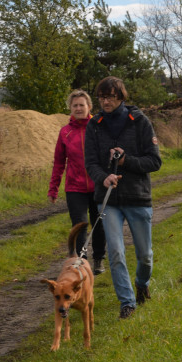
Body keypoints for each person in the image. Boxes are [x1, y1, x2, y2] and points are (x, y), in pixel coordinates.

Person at [83, 77, 162, 320]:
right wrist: (103, 177)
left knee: (145, 255)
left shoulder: (140, 122)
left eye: (111, 96)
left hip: (138, 197)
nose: (106, 101)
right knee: (116, 252)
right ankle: (127, 303)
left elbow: (155, 161)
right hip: (108, 200)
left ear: (121, 97)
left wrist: (127, 161)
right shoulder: (93, 125)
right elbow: (91, 163)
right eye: (102, 97)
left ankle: (141, 283)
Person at [48, 89, 107, 274]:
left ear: (89, 106)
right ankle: (82, 262)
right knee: (80, 225)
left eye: (82, 105)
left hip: (98, 184)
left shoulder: (99, 127)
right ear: (70, 108)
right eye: (75, 105)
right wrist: (53, 189)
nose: (79, 108)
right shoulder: (65, 132)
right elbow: (59, 162)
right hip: (75, 187)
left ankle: (98, 259)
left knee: (98, 223)